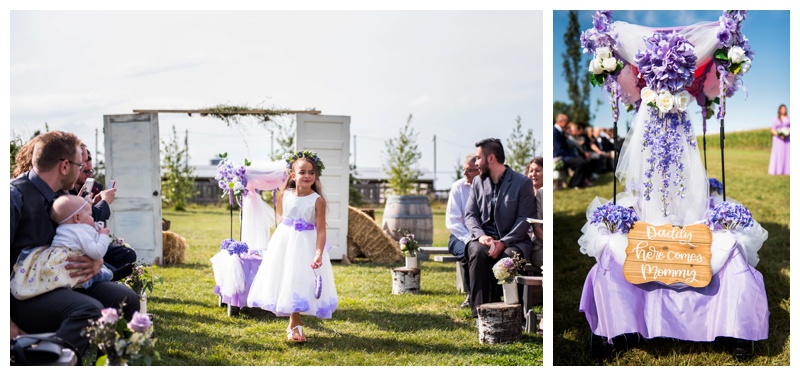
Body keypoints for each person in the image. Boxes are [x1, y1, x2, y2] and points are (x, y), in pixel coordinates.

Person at [10, 130, 140, 355]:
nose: (83, 170)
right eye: (80, 165)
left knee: (126, 299)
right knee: (90, 310)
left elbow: (82, 237)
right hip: (24, 294)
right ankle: (45, 361)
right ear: (64, 166)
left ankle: (109, 364)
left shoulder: (65, 196)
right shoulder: (14, 196)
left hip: (63, 282)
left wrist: (97, 263)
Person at [247, 150, 338, 343]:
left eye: (311, 172)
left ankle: (294, 323)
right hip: (285, 241)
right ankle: (294, 323)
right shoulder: (285, 194)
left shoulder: (317, 200)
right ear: (293, 175)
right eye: (302, 172)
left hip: (306, 244)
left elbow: (321, 230)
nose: (307, 176)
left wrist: (318, 253)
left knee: (299, 280)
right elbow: (282, 218)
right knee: (287, 277)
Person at [464, 138, 536, 323]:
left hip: (513, 241)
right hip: (484, 240)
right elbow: (470, 215)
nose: (476, 163)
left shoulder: (522, 182)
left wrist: (504, 241)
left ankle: (513, 314)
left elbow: (524, 220)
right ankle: (480, 314)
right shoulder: (478, 183)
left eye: (479, 158)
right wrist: (482, 237)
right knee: (477, 253)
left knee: (509, 256)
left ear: (491, 158)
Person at [11, 195, 113, 300]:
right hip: (72, 266)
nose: (93, 218)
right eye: (90, 215)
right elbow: (97, 252)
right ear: (77, 217)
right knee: (105, 274)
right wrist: (103, 235)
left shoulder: (64, 228)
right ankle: (110, 275)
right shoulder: (80, 231)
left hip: (56, 263)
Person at [445, 153, 481, 308]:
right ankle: (472, 295)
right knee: (470, 252)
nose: (465, 173)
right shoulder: (458, 187)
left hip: (482, 236)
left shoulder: (488, 186)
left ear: (480, 170)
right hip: (459, 236)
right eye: (464, 170)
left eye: (470, 170)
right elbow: (453, 221)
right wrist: (469, 239)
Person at [553, 113, 593, 188]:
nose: (567, 123)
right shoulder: (554, 131)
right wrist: (572, 156)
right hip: (561, 156)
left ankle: (575, 182)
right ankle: (574, 183)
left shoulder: (560, 131)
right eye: (566, 121)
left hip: (566, 155)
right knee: (581, 162)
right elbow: (558, 148)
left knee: (584, 161)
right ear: (561, 121)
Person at [524, 157, 543, 276]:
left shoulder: (543, 192)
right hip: (537, 246)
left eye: (537, 170)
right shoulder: (526, 194)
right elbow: (536, 227)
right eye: (530, 171)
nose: (533, 174)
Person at [768, 104, 790, 175]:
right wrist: (779, 135)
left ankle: (786, 171)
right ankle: (777, 170)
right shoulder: (776, 119)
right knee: (778, 154)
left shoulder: (789, 118)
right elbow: (772, 129)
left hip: (787, 139)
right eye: (782, 109)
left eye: (785, 109)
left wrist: (787, 133)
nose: (784, 110)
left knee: (787, 154)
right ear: (779, 110)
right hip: (777, 139)